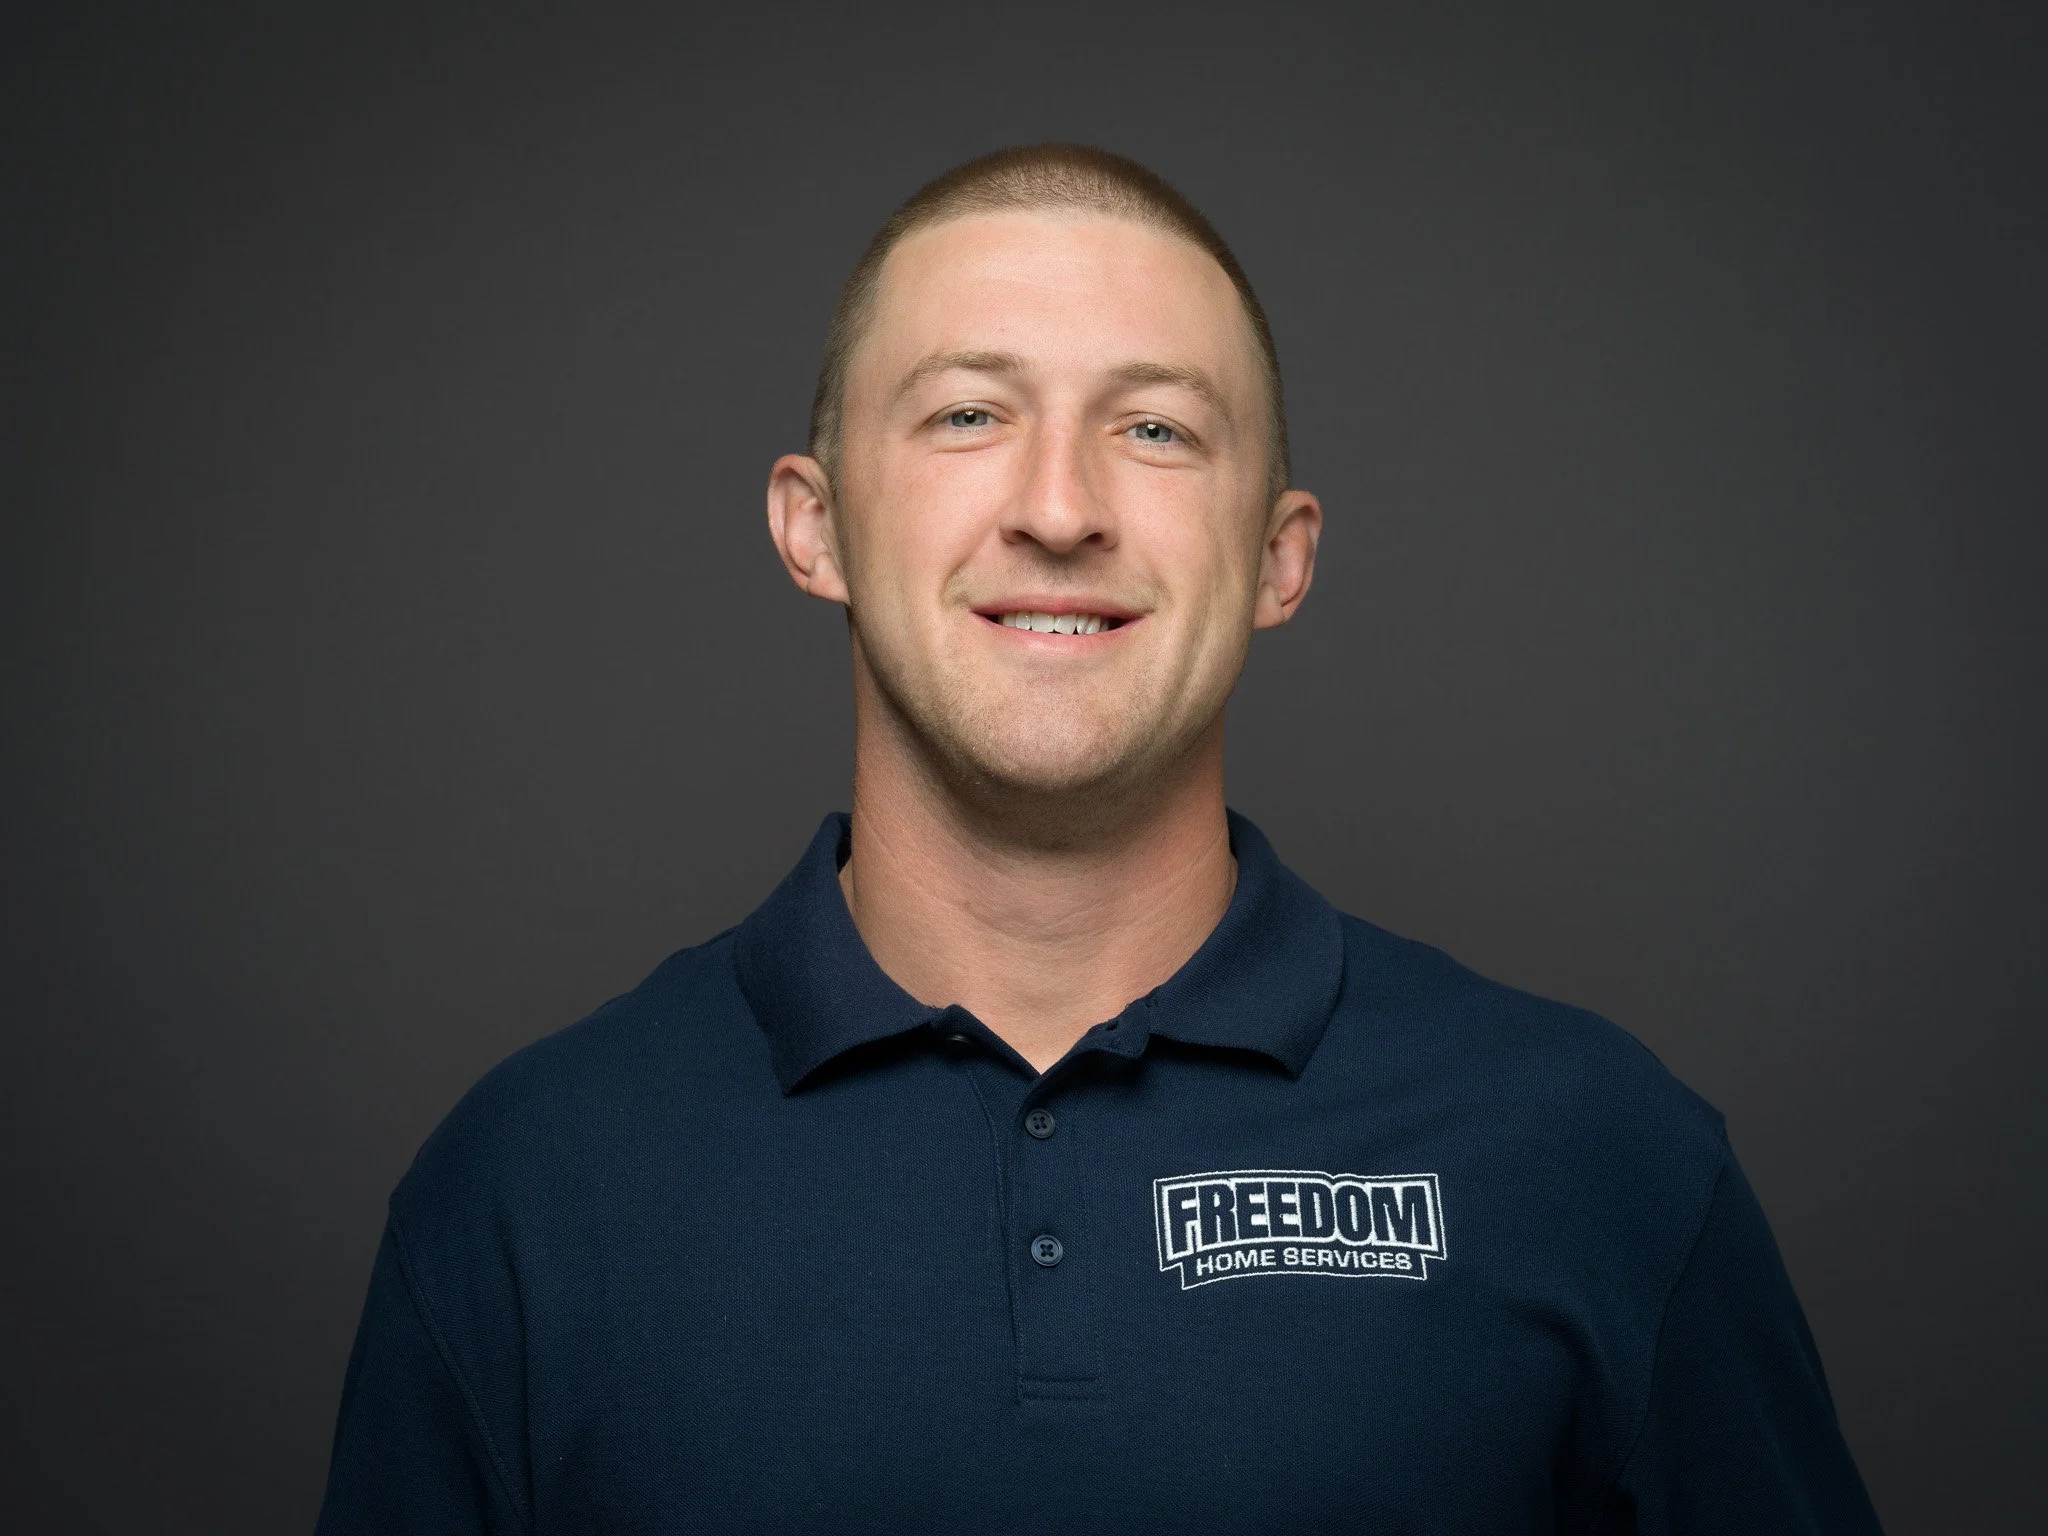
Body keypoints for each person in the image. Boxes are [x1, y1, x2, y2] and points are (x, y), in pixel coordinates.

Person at [317, 144, 1881, 1534]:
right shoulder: (527, 1187)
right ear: (816, 528)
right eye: (969, 413)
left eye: (1153, 428)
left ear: (1279, 557)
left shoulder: (1596, 1154)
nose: (1058, 507)